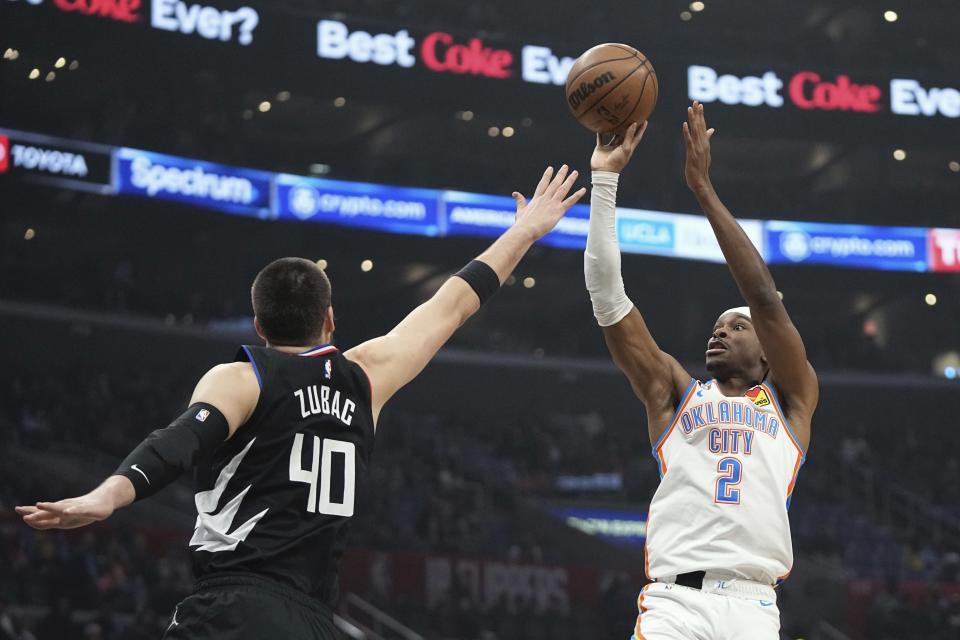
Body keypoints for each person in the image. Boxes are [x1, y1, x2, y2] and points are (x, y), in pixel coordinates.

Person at [16, 165, 586, 639]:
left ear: (259, 324)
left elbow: (178, 442)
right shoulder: (368, 376)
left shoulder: (244, 377)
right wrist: (525, 231)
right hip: (314, 621)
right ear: (330, 320)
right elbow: (456, 302)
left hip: (235, 609)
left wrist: (107, 496)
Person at [584, 102, 818, 639]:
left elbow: (762, 295)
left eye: (736, 326)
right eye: (716, 327)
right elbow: (607, 296)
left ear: (766, 354)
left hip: (756, 606)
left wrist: (702, 189)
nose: (720, 331)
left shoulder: (792, 400)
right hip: (677, 603)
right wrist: (604, 182)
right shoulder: (674, 393)